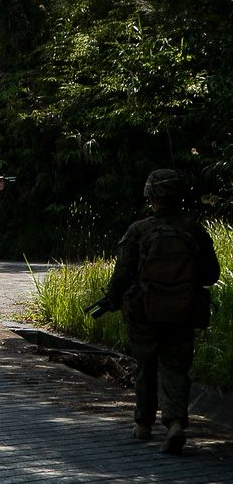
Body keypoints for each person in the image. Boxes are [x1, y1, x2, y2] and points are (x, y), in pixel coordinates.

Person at [104, 169, 220, 455]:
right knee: (176, 368)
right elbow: (210, 274)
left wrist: (112, 298)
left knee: (146, 365)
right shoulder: (193, 230)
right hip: (183, 311)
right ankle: (175, 423)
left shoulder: (139, 230)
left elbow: (122, 274)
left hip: (145, 311)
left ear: (151, 197)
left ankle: (143, 424)